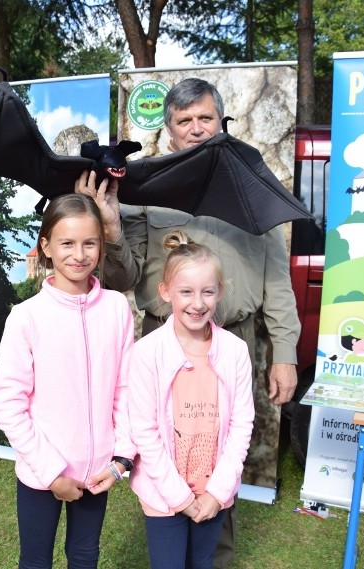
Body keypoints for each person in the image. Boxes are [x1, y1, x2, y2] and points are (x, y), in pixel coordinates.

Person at [75, 77, 301, 568]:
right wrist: (112, 229)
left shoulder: (255, 185)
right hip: (164, 341)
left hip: (235, 343)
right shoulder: (141, 190)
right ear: (171, 130)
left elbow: (278, 283)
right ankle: (170, 542)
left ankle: (212, 558)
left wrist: (283, 353)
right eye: (184, 121)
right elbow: (123, 276)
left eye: (204, 118)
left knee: (220, 455)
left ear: (221, 120)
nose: (196, 129)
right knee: (165, 454)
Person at [0, 193, 136, 568]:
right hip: (43, 474)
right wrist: (52, 473)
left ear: (101, 246)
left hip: (99, 471)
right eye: (67, 243)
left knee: (85, 555)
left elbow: (126, 390)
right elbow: (10, 406)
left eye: (89, 243)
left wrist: (120, 459)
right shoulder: (26, 317)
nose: (79, 254)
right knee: (36, 560)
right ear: (46, 247)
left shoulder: (117, 309)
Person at [127, 230, 254, 569]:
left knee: (203, 562)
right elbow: (145, 431)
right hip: (165, 493)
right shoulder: (146, 353)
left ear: (219, 292)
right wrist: (179, 497)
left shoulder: (236, 351)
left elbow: (242, 425)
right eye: (186, 292)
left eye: (207, 292)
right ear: (165, 292)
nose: (197, 303)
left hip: (213, 490)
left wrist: (217, 491)